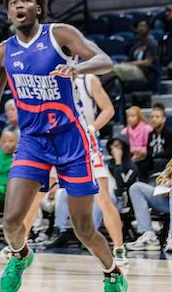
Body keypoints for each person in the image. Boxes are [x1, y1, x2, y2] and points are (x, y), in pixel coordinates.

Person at [0, 0, 127, 292]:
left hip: (71, 141)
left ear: (38, 9)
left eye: (25, 0)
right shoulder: (3, 52)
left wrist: (77, 69)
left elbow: (105, 61)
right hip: (32, 142)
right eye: (13, 2)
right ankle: (20, 256)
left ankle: (113, 273)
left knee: (83, 228)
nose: (19, 5)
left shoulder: (60, 34)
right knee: (12, 221)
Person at [70, 74, 128, 264]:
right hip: (58, 140)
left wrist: (91, 128)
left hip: (86, 143)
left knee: (103, 198)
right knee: (36, 192)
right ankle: (19, 247)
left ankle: (119, 249)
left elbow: (109, 109)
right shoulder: (46, 75)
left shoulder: (87, 79)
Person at [127, 150, 172, 253]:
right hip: (168, 199)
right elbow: (160, 177)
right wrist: (165, 182)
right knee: (136, 188)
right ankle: (148, 235)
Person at [137, 102, 172, 179]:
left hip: (171, 162)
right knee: (139, 164)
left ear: (164, 119)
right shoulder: (150, 134)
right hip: (155, 160)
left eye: (157, 117)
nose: (154, 119)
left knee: (158, 162)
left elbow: (169, 153)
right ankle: (143, 184)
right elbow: (149, 152)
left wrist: (151, 154)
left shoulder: (171, 134)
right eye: (152, 117)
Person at [112, 20, 159, 85]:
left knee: (115, 69)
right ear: (136, 29)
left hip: (144, 72)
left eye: (144, 26)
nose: (142, 28)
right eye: (140, 26)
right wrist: (125, 63)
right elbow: (129, 59)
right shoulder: (136, 45)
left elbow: (147, 62)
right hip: (133, 68)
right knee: (112, 69)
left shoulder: (152, 43)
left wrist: (129, 64)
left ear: (148, 29)